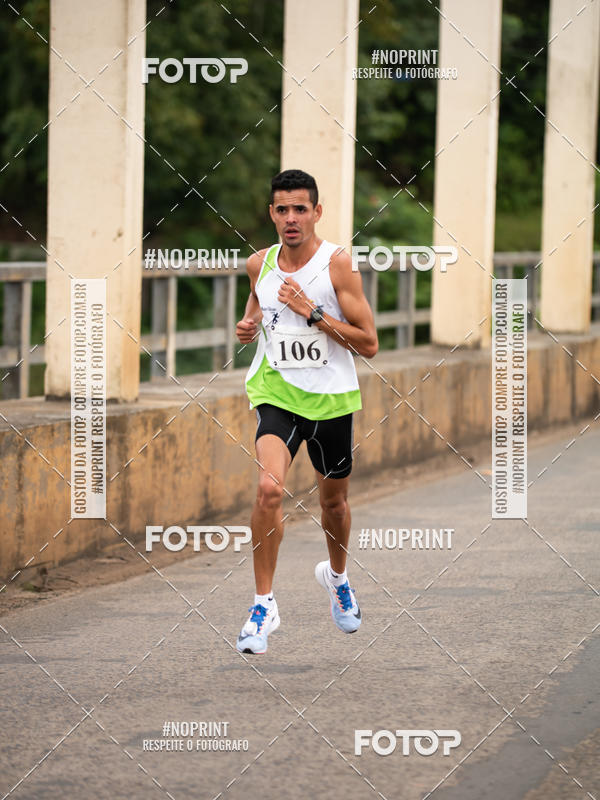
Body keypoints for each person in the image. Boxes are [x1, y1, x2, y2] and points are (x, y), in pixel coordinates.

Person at [234, 169, 378, 654]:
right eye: (282, 209)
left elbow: (370, 344)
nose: (291, 218)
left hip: (332, 398)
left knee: (332, 504)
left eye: (300, 209)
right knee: (268, 490)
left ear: (317, 212)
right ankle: (263, 603)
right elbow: (257, 302)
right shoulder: (259, 263)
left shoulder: (339, 265)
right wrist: (249, 324)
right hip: (276, 392)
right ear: (271, 213)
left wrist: (313, 313)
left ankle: (337, 577)